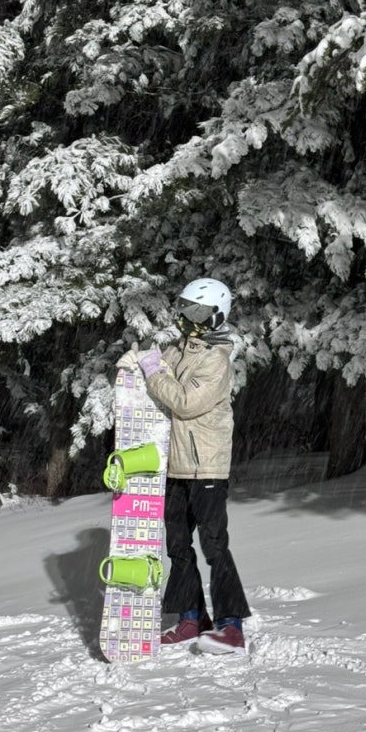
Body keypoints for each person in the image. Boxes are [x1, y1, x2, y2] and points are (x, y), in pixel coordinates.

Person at [116, 278, 250, 654]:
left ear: (215, 316)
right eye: (185, 307)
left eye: (197, 310)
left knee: (214, 545)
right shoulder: (178, 349)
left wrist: (153, 370)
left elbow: (185, 403)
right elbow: (156, 377)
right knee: (177, 545)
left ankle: (231, 626)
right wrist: (136, 366)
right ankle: (192, 618)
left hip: (205, 466)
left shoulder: (215, 360)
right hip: (174, 465)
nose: (187, 316)